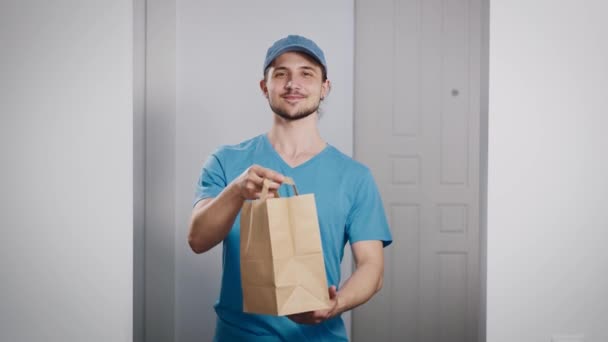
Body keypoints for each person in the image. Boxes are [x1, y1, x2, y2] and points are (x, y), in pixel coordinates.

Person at [188, 34, 392, 341]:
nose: (292, 84)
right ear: (264, 87)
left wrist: (336, 304)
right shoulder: (227, 162)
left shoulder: (355, 177)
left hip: (321, 336)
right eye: (280, 73)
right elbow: (198, 240)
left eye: (306, 74)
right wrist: (237, 191)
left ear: (325, 87)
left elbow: (372, 267)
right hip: (240, 335)